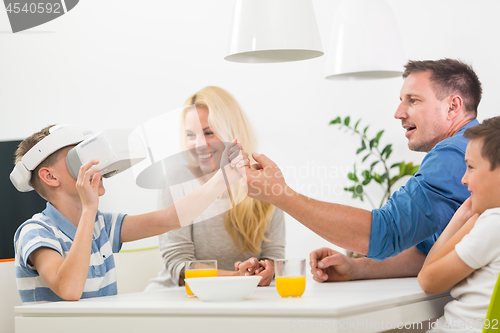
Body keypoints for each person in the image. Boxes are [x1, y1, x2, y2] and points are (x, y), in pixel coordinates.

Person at [233, 58, 482, 281]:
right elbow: (426, 252)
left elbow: (388, 231)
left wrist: (279, 193)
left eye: (413, 100)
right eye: (400, 101)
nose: (398, 113)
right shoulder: (470, 147)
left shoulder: (453, 153)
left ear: (453, 106)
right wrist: (357, 268)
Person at [13, 124, 248, 303]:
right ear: (50, 177)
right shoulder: (35, 232)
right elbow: (69, 289)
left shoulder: (101, 225)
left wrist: (225, 177)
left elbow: (170, 219)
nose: (94, 164)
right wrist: (89, 209)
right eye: (77, 159)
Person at [145, 86, 285, 291]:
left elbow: (274, 256)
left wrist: (266, 269)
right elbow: (180, 266)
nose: (199, 144)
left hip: (241, 297)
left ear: (233, 133)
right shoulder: (178, 179)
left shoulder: (262, 183)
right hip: (177, 298)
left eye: (209, 133)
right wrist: (237, 277)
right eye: (190, 135)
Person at [418, 117, 500, 332]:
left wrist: (463, 217)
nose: (464, 180)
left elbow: (428, 280)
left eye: (471, 167)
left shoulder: (493, 223)